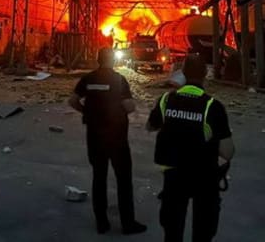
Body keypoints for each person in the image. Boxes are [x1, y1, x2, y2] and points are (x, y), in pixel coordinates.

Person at [147, 53, 234, 242]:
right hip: (204, 177)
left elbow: (150, 126)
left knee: (172, 231)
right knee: (203, 231)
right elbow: (227, 152)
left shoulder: (166, 100)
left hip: (174, 177)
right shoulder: (213, 106)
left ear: (183, 73)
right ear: (205, 74)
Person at [68, 48, 147, 235]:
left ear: (97, 60)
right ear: (112, 61)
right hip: (117, 137)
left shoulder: (87, 79)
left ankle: (102, 223)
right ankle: (128, 224)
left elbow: (72, 100)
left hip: (95, 137)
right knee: (124, 180)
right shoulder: (119, 80)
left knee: (99, 177)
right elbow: (129, 106)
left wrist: (86, 111)